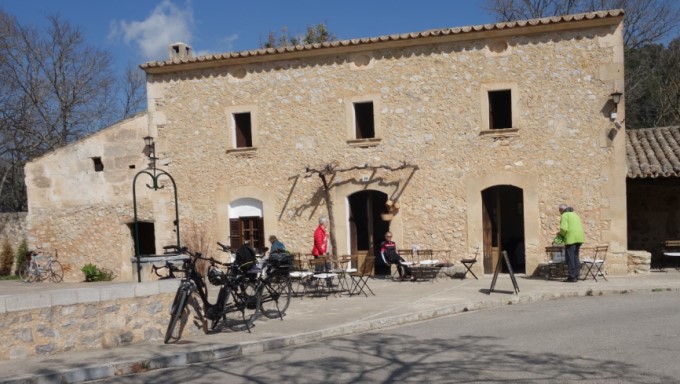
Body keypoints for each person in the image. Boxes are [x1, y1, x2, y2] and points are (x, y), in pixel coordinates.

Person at [558, 204, 585, 282]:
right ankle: (577, 275)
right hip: (579, 238)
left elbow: (563, 228)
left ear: (561, 210)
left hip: (570, 238)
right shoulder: (575, 214)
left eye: (559, 211)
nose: (560, 213)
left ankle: (572, 276)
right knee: (576, 257)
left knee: (570, 258)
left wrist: (560, 235)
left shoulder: (564, 215)